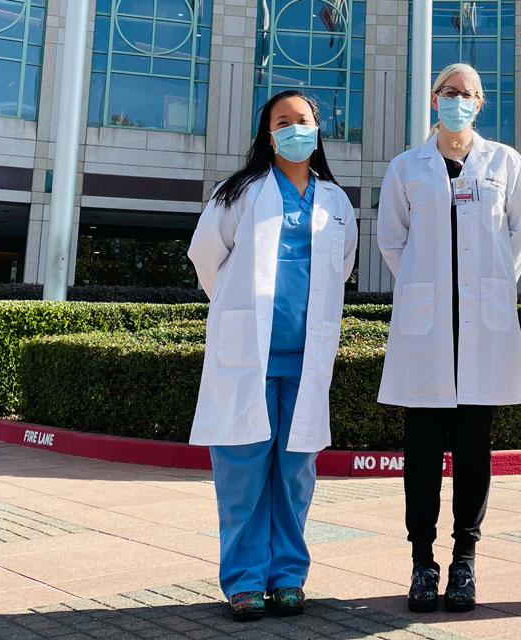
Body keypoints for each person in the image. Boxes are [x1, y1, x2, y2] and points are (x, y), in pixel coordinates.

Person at [187, 90, 357, 622]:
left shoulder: (335, 201)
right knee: (241, 473)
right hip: (249, 359)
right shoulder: (239, 192)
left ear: (317, 129)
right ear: (268, 133)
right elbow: (205, 257)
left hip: (305, 360)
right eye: (282, 121)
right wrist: (243, 314)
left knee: (293, 473)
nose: (293, 129)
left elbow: (343, 267)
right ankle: (243, 581)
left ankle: (287, 577)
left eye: (302, 120)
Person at [377, 62, 521, 613]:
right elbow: (393, 240)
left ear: (480, 103)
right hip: (426, 333)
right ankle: (423, 562)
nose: (457, 100)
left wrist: (484, 287)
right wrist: (431, 287)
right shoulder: (406, 167)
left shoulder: (504, 163)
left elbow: (520, 235)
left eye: (468, 94)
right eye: (449, 92)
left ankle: (464, 564)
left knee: (474, 452)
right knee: (419, 453)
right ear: (432, 98)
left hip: (481, 330)